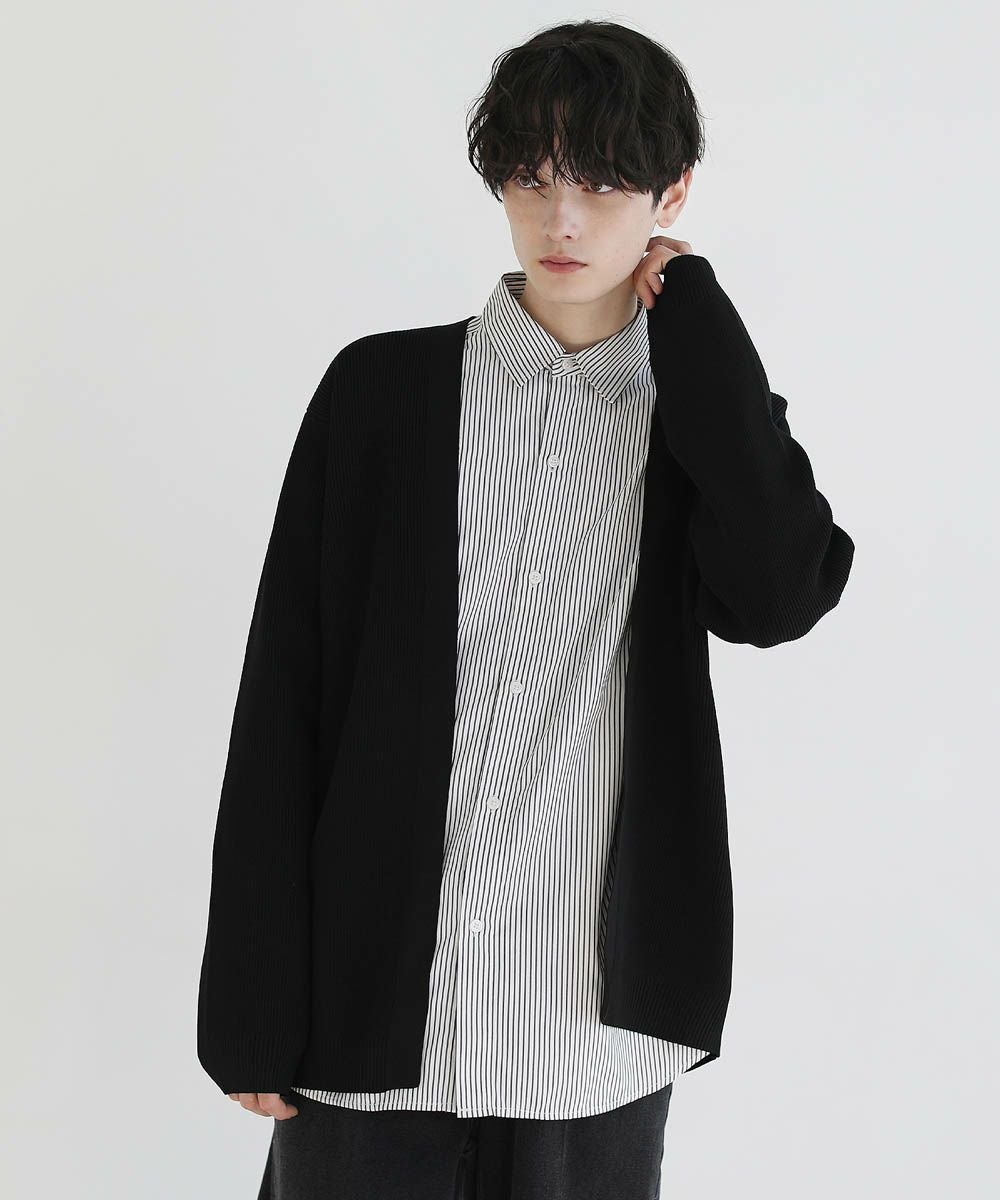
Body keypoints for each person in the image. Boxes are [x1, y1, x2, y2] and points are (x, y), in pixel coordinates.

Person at [197, 18, 855, 1200]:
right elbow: (284, 695)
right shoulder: (378, 395)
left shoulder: (695, 420)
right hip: (369, 1016)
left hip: (587, 1031)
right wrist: (249, 1000)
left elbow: (778, 595)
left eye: (601, 186)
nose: (561, 222)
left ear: (671, 193)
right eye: (532, 180)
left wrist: (699, 321)